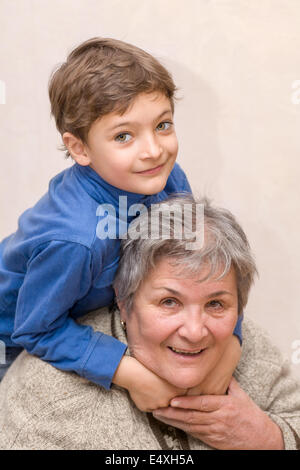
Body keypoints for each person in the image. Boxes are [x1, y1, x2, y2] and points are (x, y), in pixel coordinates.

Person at [0, 37, 243, 409]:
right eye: (124, 136)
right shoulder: (77, 240)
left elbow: (202, 271)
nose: (153, 150)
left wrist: (231, 348)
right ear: (79, 148)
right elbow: (35, 327)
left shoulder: (167, 178)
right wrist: (129, 373)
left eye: (163, 125)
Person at [0, 195, 299, 450]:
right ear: (123, 298)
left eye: (215, 304)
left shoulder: (248, 345)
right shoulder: (47, 405)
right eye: (169, 302)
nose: (195, 332)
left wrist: (271, 438)